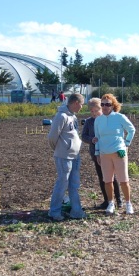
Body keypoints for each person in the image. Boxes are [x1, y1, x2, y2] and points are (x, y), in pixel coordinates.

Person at [94, 93, 136, 215]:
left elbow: (131, 129)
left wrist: (126, 144)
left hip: (119, 152)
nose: (105, 106)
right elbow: (97, 137)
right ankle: (111, 203)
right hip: (104, 154)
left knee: (124, 180)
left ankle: (128, 204)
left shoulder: (119, 117)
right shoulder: (98, 120)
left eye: (108, 104)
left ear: (113, 106)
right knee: (107, 181)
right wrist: (97, 153)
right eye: (102, 104)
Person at [47, 93, 86, 221]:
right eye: (81, 104)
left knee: (74, 184)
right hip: (64, 156)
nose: (82, 107)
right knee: (62, 183)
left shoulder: (73, 117)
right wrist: (61, 150)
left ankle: (76, 211)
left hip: (75, 156)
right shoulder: (61, 116)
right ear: (75, 103)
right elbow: (52, 137)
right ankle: (54, 211)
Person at [82, 98, 123, 209]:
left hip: (108, 152)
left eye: (96, 110)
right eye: (92, 111)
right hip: (96, 155)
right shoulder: (89, 122)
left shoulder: (107, 119)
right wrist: (91, 139)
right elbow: (83, 136)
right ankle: (107, 200)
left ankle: (118, 200)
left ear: (102, 108)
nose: (94, 113)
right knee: (102, 178)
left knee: (112, 177)